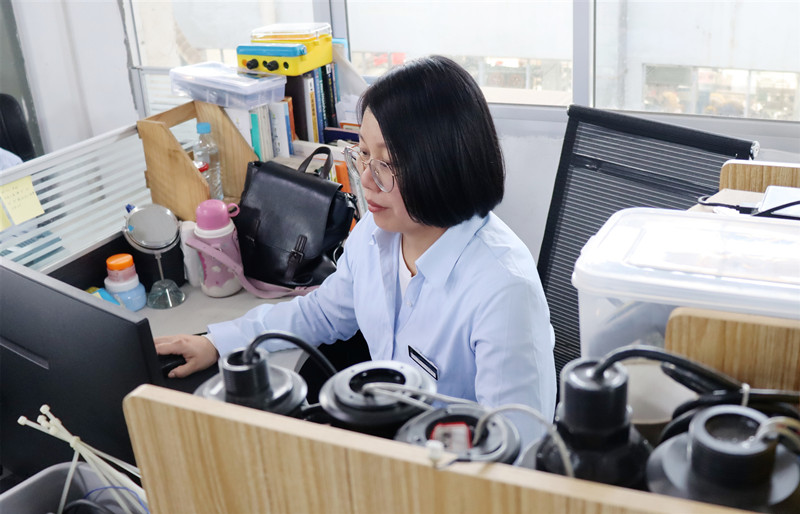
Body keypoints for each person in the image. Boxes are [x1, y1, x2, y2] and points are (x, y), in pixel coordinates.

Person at [155, 55, 556, 442]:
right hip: (381, 438)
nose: (365, 179)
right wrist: (219, 343)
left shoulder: (503, 290)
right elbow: (322, 312)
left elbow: (520, 447)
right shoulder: (375, 234)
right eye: (363, 153)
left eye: (386, 163)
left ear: (441, 166)